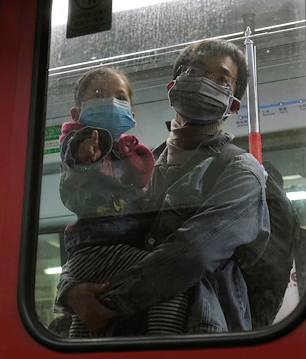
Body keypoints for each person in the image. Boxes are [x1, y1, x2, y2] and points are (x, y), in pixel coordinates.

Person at [59, 39, 271, 336]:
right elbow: (96, 237)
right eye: (194, 72)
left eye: (221, 79)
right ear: (173, 87)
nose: (204, 82)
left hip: (198, 336)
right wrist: (70, 290)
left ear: (233, 105)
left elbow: (192, 253)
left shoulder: (241, 172)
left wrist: (105, 302)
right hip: (122, 336)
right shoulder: (139, 166)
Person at [54, 67, 189, 337]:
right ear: (76, 115)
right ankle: (163, 344)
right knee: (171, 278)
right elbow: (73, 155)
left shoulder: (127, 154)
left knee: (92, 314)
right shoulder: (82, 142)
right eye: (98, 95)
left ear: (132, 114)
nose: (110, 101)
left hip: (101, 253)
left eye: (119, 96)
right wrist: (83, 153)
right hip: (98, 248)